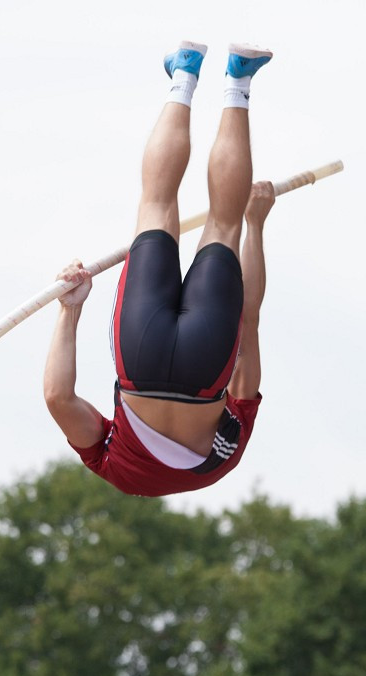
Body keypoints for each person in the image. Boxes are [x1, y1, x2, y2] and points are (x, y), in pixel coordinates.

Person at [44, 41, 275, 497]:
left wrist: (256, 225)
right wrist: (69, 310)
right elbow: (58, 399)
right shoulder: (116, 468)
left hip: (207, 367)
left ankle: (239, 79)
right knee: (156, 204)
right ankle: (184, 75)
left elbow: (249, 321)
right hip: (142, 355)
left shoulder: (217, 468)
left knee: (223, 223)